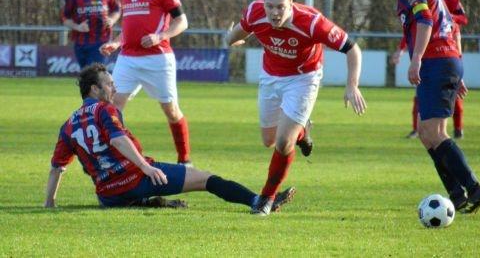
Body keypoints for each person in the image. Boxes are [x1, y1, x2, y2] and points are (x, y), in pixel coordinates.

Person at [44, 63, 295, 212]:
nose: (115, 87)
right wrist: (145, 167)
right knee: (206, 179)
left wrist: (49, 204)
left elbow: (57, 168)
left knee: (131, 192)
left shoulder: (67, 125)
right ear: (94, 90)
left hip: (108, 196)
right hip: (135, 178)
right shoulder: (105, 109)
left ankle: (149, 201)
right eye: (109, 84)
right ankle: (258, 201)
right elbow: (118, 140)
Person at [226, 0, 367, 216]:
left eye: (280, 6)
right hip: (270, 77)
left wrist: (352, 85)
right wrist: (231, 40)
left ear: (291, 3)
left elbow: (352, 48)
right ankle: (303, 131)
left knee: (283, 143)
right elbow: (238, 32)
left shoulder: (312, 23)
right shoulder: (254, 12)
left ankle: (266, 198)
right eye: (270, 6)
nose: (274, 12)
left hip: (304, 79)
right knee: (268, 140)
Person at [376, 0, 480, 213]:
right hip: (445, 61)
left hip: (437, 61)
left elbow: (426, 22)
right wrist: (456, 67)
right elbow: (448, 25)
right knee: (425, 132)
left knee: (434, 132)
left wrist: (416, 60)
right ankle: (457, 194)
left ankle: (473, 188)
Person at [99, 0, 192, 165]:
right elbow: (130, 26)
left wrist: (160, 36)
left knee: (170, 110)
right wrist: (117, 43)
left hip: (157, 59)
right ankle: (117, 156)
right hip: (128, 59)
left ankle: (185, 159)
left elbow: (182, 21)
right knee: (113, 105)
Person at [391, 0, 468, 139]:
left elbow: (461, 18)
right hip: (436, 56)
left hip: (444, 51)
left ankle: (458, 129)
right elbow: (413, 29)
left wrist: (441, 16)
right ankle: (415, 129)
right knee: (429, 128)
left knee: (438, 131)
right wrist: (401, 50)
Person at [61, 0, 121, 69]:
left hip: (102, 40)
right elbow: (65, 18)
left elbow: (117, 10)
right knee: (86, 76)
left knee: (95, 73)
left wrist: (112, 19)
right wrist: (78, 27)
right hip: (80, 41)